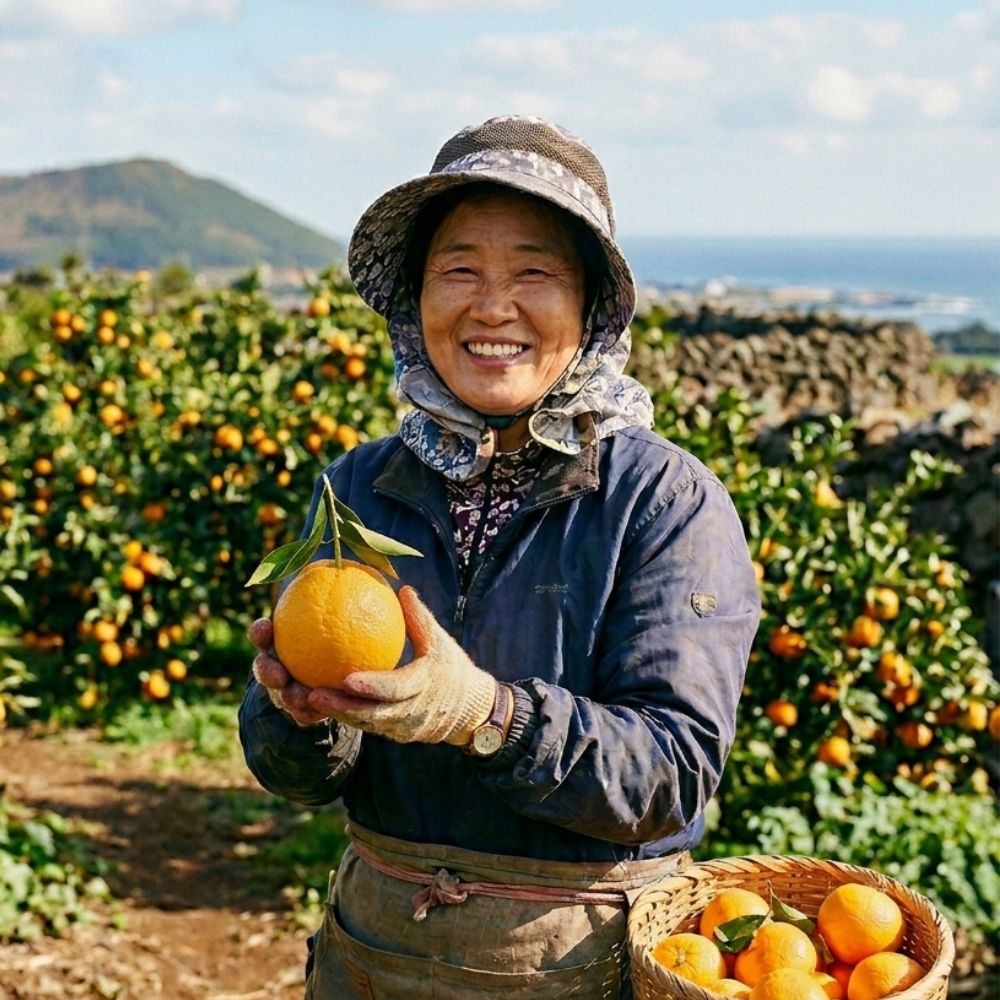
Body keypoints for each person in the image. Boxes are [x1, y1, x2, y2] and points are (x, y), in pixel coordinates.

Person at [239, 115, 760, 999]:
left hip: (582, 960)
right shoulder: (359, 487)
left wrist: (484, 713)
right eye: (459, 271)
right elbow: (296, 775)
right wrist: (301, 715)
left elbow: (673, 771)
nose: (492, 306)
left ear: (593, 307)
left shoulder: (661, 500)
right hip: (377, 952)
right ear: (415, 300)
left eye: (533, 271)